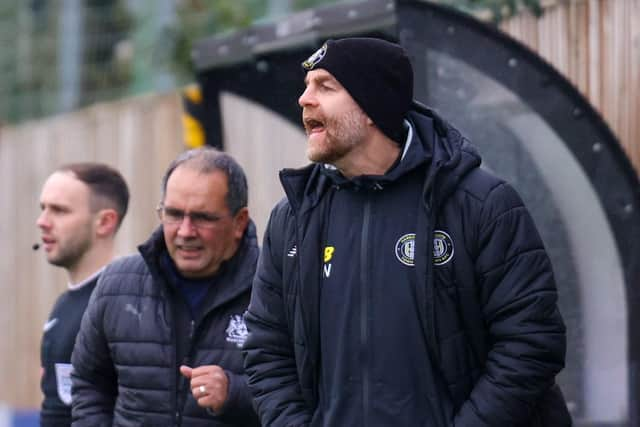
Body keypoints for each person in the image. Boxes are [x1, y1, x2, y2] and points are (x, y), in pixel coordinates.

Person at [243, 37, 572, 426]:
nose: (304, 99)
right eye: (306, 85)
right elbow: (266, 349)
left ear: (372, 107)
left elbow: (530, 342)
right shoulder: (294, 219)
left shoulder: (481, 204)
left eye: (325, 86)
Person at [71, 148, 260, 426]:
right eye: (173, 214)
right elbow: (89, 383)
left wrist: (235, 393)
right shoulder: (116, 285)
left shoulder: (277, 291)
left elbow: (309, 395)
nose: (185, 231)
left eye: (202, 217)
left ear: (239, 222)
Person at [37, 162, 130, 427]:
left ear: (104, 222)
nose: (42, 222)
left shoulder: (127, 304)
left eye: (59, 210)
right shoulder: (63, 306)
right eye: (43, 208)